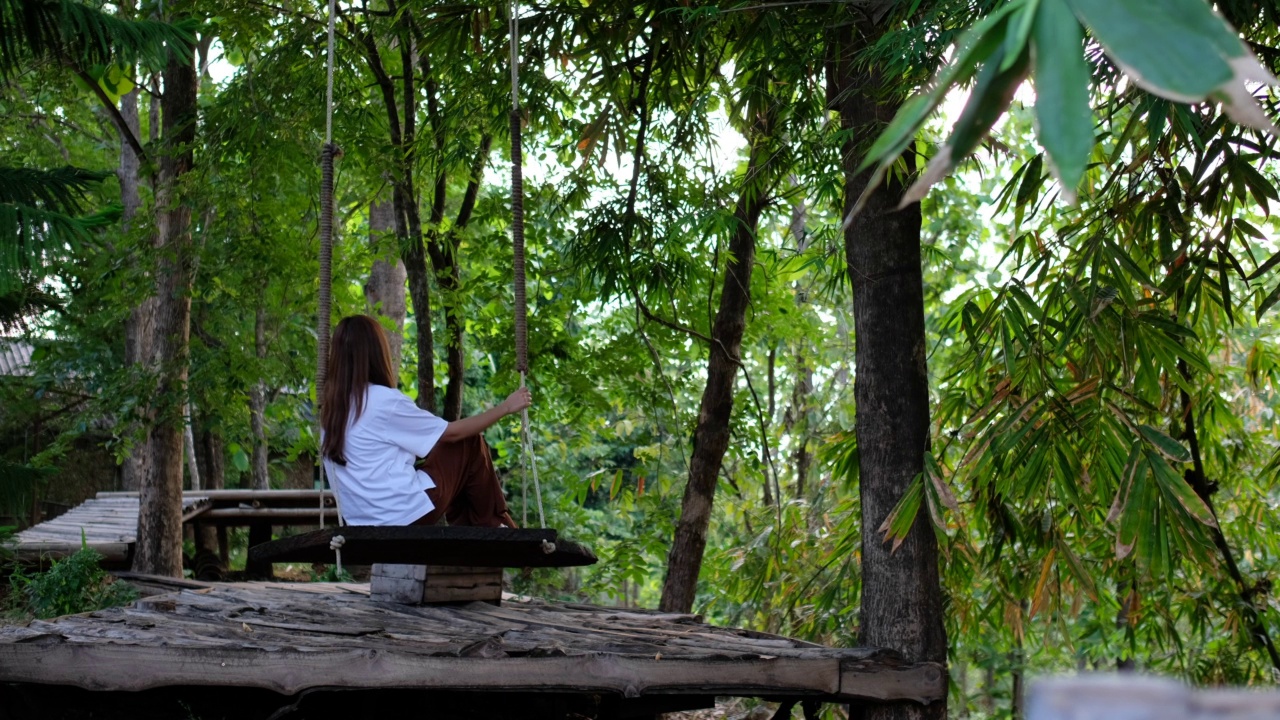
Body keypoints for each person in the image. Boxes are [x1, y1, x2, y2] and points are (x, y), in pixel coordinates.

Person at [320, 314, 530, 528]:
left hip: (360, 523)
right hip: (405, 514)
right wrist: (506, 407)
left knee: (451, 462)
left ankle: (486, 526)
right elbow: (453, 433)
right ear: (377, 353)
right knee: (469, 442)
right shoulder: (383, 401)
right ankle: (496, 525)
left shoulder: (332, 412)